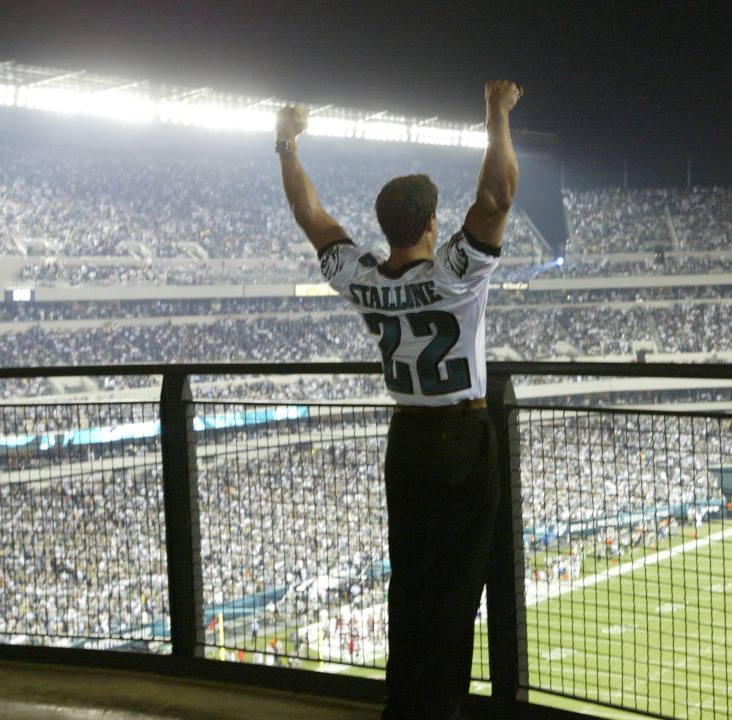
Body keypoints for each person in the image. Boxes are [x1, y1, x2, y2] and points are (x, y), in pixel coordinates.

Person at [276, 79, 523, 720]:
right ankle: (439, 707)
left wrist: (286, 144)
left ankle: (405, 702)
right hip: (461, 440)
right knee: (460, 584)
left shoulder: (361, 279)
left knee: (410, 580)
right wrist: (497, 113)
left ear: (386, 227)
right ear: (434, 222)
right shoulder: (453, 274)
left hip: (406, 440)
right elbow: (497, 195)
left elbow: (311, 215)